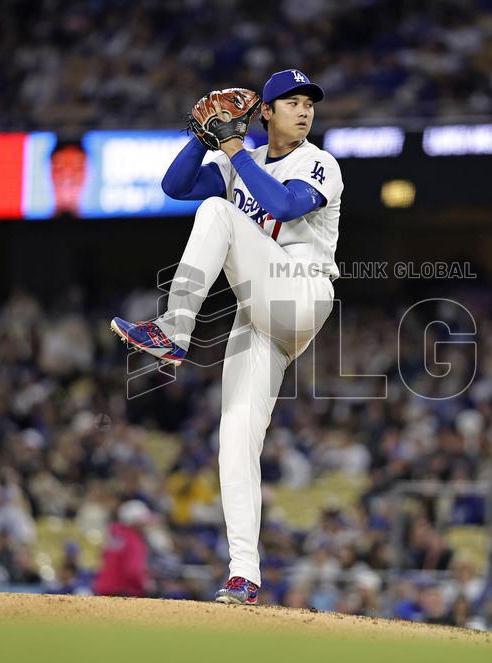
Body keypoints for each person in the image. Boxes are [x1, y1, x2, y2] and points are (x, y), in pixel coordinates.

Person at [110, 69, 342, 605]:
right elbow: (174, 187)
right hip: (258, 317)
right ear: (265, 110)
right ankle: (244, 574)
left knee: (219, 211)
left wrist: (233, 145)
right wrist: (200, 137)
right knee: (236, 437)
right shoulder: (244, 160)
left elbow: (284, 207)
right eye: (291, 102)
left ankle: (174, 329)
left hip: (301, 293)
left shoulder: (319, 162)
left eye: (309, 103)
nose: (304, 110)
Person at [93, 500, 154, 598]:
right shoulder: (133, 541)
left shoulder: (113, 535)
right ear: (134, 522)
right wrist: (146, 585)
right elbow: (133, 571)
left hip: (102, 589)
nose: (145, 525)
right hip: (123, 593)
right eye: (142, 522)